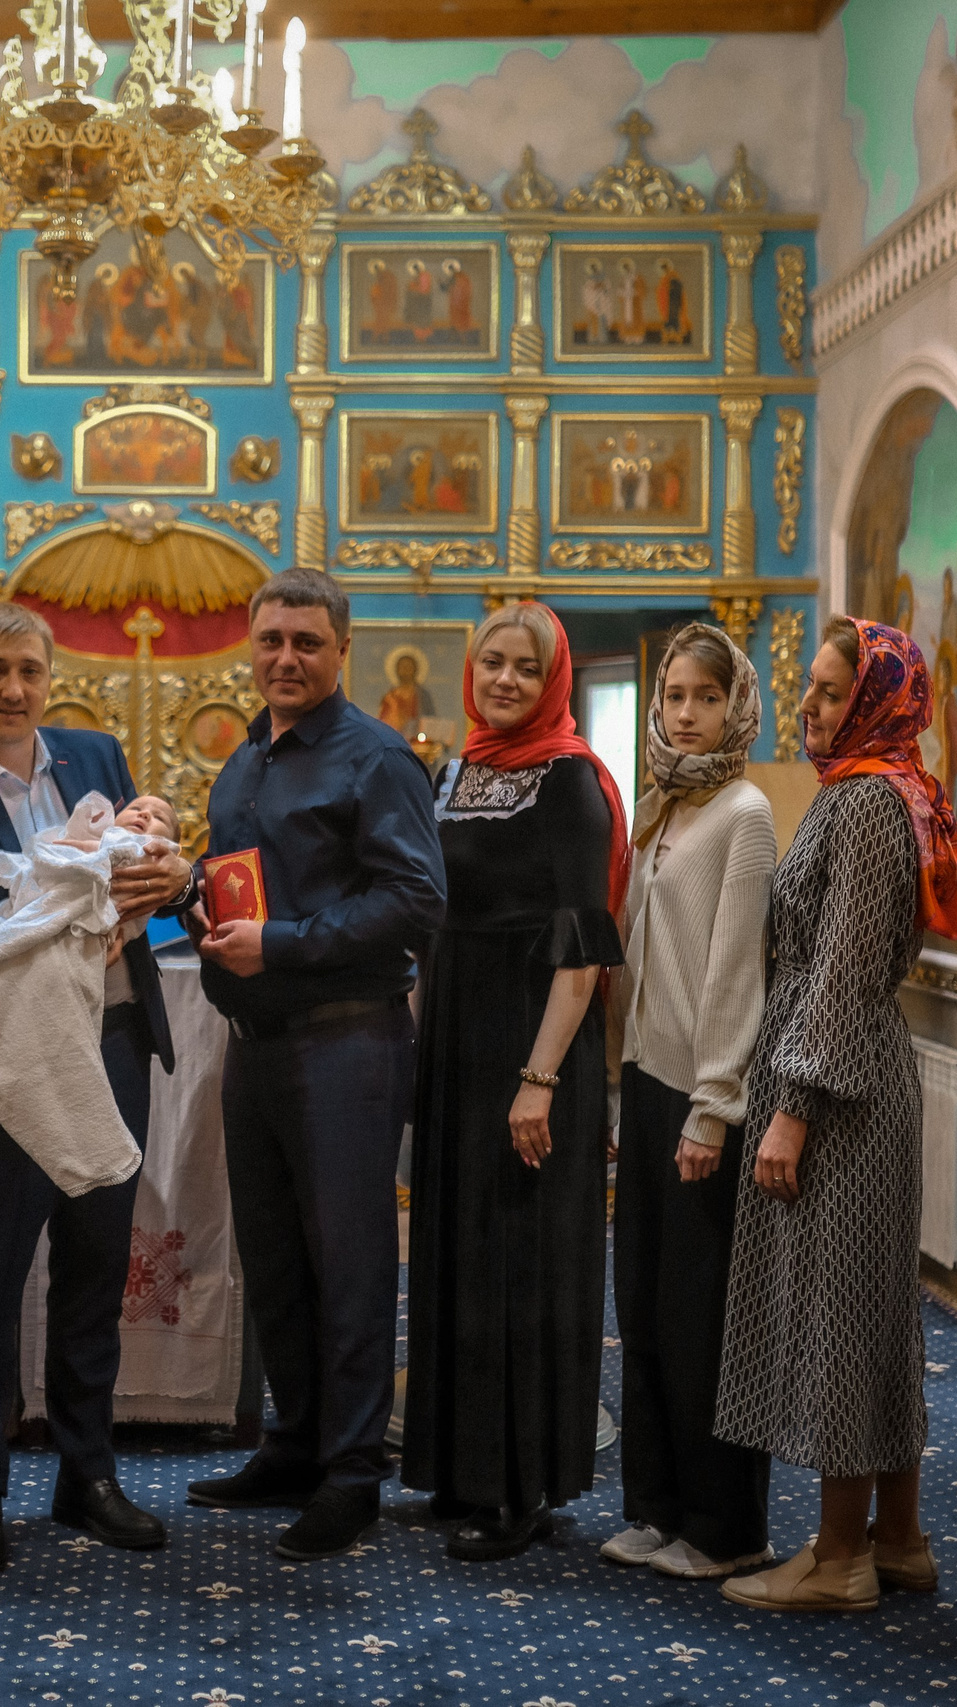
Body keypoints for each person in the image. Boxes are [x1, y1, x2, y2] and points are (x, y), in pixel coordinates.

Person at [0, 602, 190, 1574]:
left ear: (49, 676)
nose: (12, 689)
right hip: (3, 1070)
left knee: (94, 1270)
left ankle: (84, 1475)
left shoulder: (96, 761)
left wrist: (160, 879)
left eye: (28, 670)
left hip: (107, 1044)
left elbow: (147, 877)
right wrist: (61, 926)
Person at [188, 569, 447, 1561]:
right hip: (255, 1047)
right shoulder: (245, 759)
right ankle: (290, 1447)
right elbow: (242, 887)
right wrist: (191, 900)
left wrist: (285, 944)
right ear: (248, 651)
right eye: (269, 642)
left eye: (305, 642)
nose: (284, 659)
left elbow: (417, 898)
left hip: (346, 1039)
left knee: (348, 1266)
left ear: (342, 649)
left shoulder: (374, 759)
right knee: (276, 1260)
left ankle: (348, 1476)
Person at [713, 617, 957, 1614]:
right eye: (809, 690)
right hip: (852, 1081)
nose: (807, 708)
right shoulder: (879, 788)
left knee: (833, 1318)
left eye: (825, 692)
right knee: (871, 1314)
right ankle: (896, 1539)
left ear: (872, 700)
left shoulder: (863, 803)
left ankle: (834, 1558)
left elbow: (846, 973)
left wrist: (794, 1110)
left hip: (837, 1093)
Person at [401, 602, 628, 1561]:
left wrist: (539, 1079)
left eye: (524, 669)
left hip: (537, 1038)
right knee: (458, 1246)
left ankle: (524, 1488)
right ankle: (463, 1467)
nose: (503, 680)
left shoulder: (571, 778)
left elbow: (583, 951)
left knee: (526, 1260)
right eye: (489, 662)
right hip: (457, 1039)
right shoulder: (454, 772)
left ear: (554, 681)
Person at [606, 623, 777, 1580]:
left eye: (706, 697)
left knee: (700, 1315)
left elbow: (734, 973)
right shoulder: (661, 808)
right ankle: (654, 1505)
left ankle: (722, 1527)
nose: (686, 712)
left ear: (735, 705)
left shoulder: (744, 813)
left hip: (703, 1092)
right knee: (642, 1307)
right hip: (647, 1081)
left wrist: (714, 1105)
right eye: (674, 695)